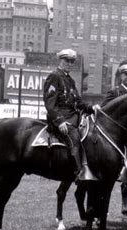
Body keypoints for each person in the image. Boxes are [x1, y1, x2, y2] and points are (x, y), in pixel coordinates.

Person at [43, 49, 97, 181]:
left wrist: (92, 108)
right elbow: (50, 103)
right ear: (60, 60)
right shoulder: (54, 76)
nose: (69, 63)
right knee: (74, 136)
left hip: (73, 117)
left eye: (72, 61)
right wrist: (60, 121)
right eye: (66, 60)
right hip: (61, 118)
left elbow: (78, 102)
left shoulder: (70, 81)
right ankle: (79, 172)